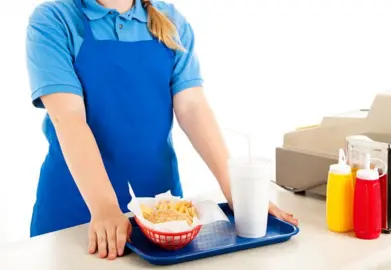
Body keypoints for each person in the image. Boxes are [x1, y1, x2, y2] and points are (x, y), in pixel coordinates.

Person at [26, 0, 298, 260]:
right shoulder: (55, 20)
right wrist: (105, 207)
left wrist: (238, 193)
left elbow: (192, 108)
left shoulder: (171, 21)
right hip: (76, 215)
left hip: (163, 217)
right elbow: (69, 117)